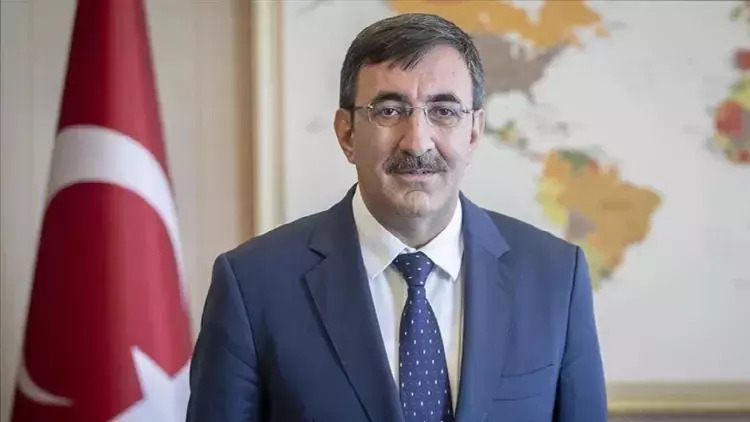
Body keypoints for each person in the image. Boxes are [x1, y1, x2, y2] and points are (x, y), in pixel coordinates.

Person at [187, 12, 607, 422]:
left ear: (474, 132)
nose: (417, 142)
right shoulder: (252, 284)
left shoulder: (556, 277)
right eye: (389, 110)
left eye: (444, 111)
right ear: (347, 134)